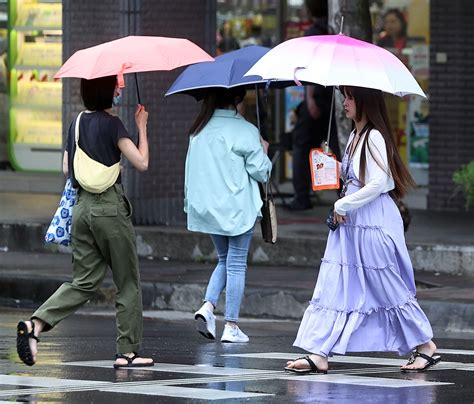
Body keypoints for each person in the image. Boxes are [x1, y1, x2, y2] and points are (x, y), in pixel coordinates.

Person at [285, 85, 440, 374]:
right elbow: (354, 180)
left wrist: (343, 205)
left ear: (365, 101)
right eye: (344, 96)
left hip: (373, 224)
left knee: (386, 286)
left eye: (350, 97)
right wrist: (329, 165)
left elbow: (379, 183)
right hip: (352, 225)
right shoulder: (355, 136)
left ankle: (425, 345)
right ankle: (318, 352)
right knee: (333, 285)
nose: (345, 102)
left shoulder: (374, 137)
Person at [16, 75, 154, 369]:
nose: (119, 91)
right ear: (106, 91)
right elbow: (141, 162)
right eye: (116, 87)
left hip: (81, 210)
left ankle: (35, 325)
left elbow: (68, 168)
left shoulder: (75, 123)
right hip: (110, 209)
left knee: (84, 282)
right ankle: (127, 352)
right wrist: (141, 127)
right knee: (127, 281)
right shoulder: (113, 124)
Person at [185, 87, 272, 343]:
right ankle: (231, 325)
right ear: (237, 99)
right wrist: (264, 150)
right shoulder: (245, 130)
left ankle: (208, 306)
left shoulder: (198, 131)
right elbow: (262, 173)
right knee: (235, 264)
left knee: (224, 259)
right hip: (237, 209)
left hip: (208, 208)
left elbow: (190, 170)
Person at [288, 0, 341, 210]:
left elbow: (307, 69)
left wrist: (309, 98)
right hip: (337, 99)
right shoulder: (337, 29)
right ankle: (344, 195)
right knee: (338, 148)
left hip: (318, 98)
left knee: (301, 146)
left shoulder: (313, 33)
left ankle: (302, 197)